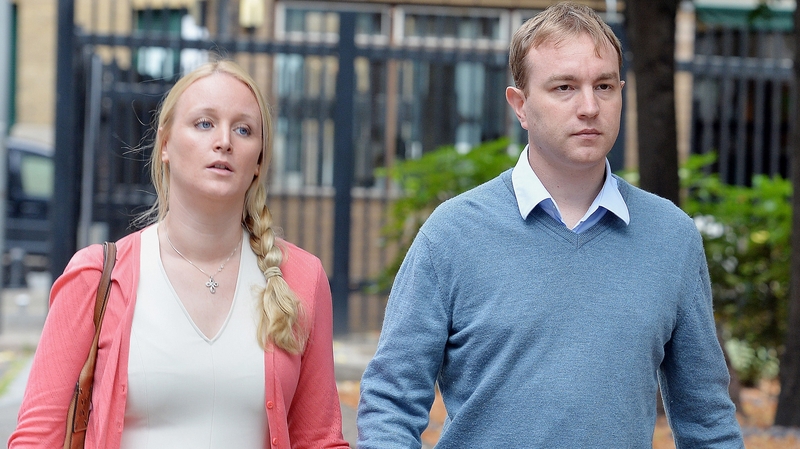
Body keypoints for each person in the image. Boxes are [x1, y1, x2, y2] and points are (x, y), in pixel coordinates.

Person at [357, 3, 744, 447]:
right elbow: (390, 403)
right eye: (564, 87)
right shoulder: (452, 235)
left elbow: (708, 421)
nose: (588, 107)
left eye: (604, 86)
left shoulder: (671, 237)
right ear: (520, 105)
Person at [10, 60, 349, 449]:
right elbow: (38, 438)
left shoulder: (301, 279)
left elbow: (320, 439)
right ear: (166, 143)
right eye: (204, 123)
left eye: (243, 129)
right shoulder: (96, 276)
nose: (224, 140)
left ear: (257, 161)